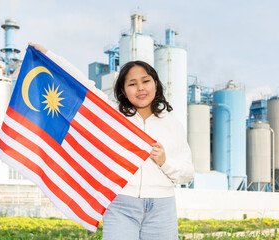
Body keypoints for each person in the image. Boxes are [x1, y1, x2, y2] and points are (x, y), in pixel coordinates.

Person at [29, 43, 194, 240]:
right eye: (132, 84)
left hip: (162, 207)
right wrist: (49, 56)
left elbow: (188, 174)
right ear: (123, 91)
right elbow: (83, 86)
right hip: (121, 205)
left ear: (155, 84)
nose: (140, 88)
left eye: (146, 81)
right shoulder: (113, 116)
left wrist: (165, 162)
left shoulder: (172, 124)